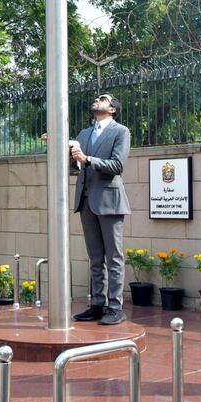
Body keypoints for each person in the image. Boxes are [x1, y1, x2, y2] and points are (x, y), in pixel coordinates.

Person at [69, 93, 132, 325]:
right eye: (95, 97)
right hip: (86, 201)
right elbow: (75, 168)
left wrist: (87, 159)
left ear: (113, 108)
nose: (97, 99)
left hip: (109, 200)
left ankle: (116, 307)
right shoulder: (83, 134)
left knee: (113, 257)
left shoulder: (121, 132)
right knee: (95, 257)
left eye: (103, 98)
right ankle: (98, 304)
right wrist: (64, 152)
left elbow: (117, 165)